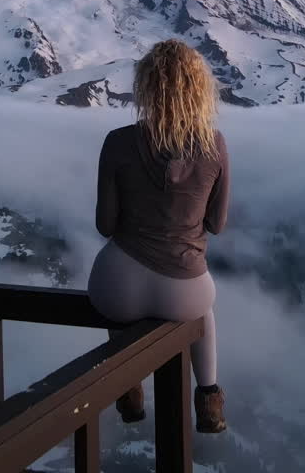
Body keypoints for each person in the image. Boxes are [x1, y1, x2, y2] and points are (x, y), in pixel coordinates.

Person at [87, 39, 230, 434]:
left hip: (117, 285)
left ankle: (129, 389)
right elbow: (217, 224)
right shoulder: (214, 144)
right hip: (185, 288)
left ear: (145, 87)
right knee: (203, 311)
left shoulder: (117, 142)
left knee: (119, 307)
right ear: (199, 88)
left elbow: (105, 224)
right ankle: (209, 397)